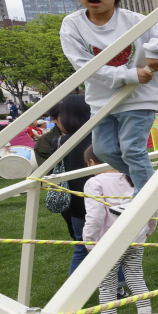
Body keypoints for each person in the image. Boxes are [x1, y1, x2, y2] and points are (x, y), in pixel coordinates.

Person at [60, 0, 158, 214]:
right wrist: (130, 74)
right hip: (101, 101)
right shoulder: (72, 24)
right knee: (103, 150)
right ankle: (151, 183)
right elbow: (84, 67)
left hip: (138, 98)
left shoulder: (134, 20)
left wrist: (153, 49)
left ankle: (144, 199)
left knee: (131, 148)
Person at [82, 144, 156, 314]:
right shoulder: (133, 177)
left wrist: (89, 241)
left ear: (92, 162)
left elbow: (95, 216)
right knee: (136, 277)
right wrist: (149, 229)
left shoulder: (94, 182)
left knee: (107, 285)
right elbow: (152, 208)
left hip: (108, 243)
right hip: (136, 239)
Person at [52, 95, 95, 275]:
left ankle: (72, 288)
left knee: (81, 245)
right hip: (102, 197)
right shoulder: (99, 137)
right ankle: (118, 285)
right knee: (111, 245)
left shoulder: (59, 141)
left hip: (75, 201)